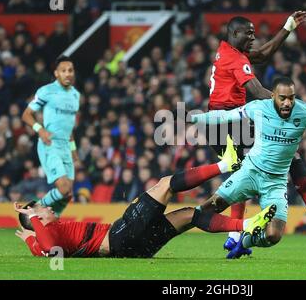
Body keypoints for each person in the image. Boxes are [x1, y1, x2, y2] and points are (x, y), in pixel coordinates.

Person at [206, 13, 306, 252]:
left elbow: (264, 54)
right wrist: (300, 105)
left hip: (221, 124)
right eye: (248, 33)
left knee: (245, 170)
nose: (253, 36)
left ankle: (234, 237)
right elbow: (258, 92)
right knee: (290, 156)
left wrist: (287, 27)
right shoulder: (235, 60)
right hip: (228, 122)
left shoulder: (229, 51)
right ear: (235, 33)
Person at [14, 136, 275, 258]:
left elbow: (42, 249)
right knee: (165, 185)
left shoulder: (47, 238)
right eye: (41, 207)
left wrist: (29, 238)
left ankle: (247, 226)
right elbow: (49, 248)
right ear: (37, 216)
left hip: (132, 249)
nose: (46, 207)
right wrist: (34, 220)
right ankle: (226, 164)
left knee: (190, 215)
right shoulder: (49, 232)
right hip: (119, 236)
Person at [192, 77, 306, 259]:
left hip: (276, 183)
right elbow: (223, 116)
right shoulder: (259, 107)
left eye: (291, 97)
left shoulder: (305, 113)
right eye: (282, 98)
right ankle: (172, 227)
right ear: (272, 96)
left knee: (273, 235)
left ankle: (244, 242)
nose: (287, 103)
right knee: (208, 208)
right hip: (250, 172)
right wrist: (192, 117)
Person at [21, 55, 80, 216]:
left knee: (67, 194)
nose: (67, 74)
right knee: (63, 188)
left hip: (66, 147)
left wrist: (73, 150)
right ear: (56, 73)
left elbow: (70, 127)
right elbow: (26, 115)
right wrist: (40, 129)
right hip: (50, 144)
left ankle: (51, 224)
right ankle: (34, 211)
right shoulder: (46, 91)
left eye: (70, 70)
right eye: (63, 71)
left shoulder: (75, 95)